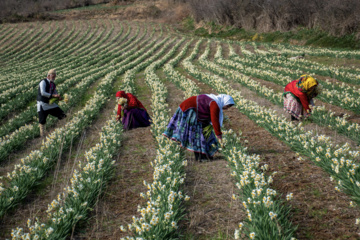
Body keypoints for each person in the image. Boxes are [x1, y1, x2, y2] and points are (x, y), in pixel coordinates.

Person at [163, 94, 235, 161]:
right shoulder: (215, 104)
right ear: (225, 102)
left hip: (191, 109)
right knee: (196, 134)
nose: (227, 108)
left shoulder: (215, 101)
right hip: (190, 110)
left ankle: (204, 155)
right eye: (227, 106)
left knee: (201, 134)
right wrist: (219, 135)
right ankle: (200, 157)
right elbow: (214, 120)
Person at [37, 69, 66, 137]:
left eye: (55, 76)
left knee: (62, 115)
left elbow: (55, 93)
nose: (54, 78)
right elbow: (43, 93)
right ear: (48, 76)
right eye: (53, 76)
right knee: (42, 121)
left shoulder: (53, 84)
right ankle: (42, 135)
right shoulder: (43, 82)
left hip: (50, 104)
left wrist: (59, 97)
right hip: (42, 103)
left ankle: (63, 129)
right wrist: (53, 95)